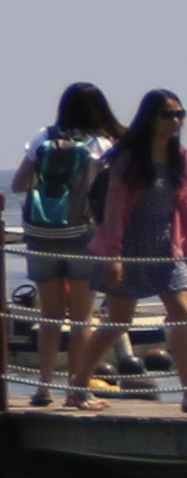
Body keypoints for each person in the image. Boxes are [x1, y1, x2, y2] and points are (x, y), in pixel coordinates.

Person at [21, 80, 122, 404]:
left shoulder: (43, 137)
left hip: (42, 235)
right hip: (83, 235)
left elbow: (19, 183)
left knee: (49, 317)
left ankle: (43, 386)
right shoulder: (102, 145)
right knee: (82, 319)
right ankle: (76, 392)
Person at [85, 89, 187, 403]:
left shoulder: (179, 156)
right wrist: (114, 254)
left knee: (182, 315)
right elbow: (114, 207)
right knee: (117, 323)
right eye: (168, 114)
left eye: (180, 115)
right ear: (151, 118)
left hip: (166, 249)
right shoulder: (129, 158)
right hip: (128, 247)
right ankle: (77, 384)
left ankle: (185, 390)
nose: (175, 121)